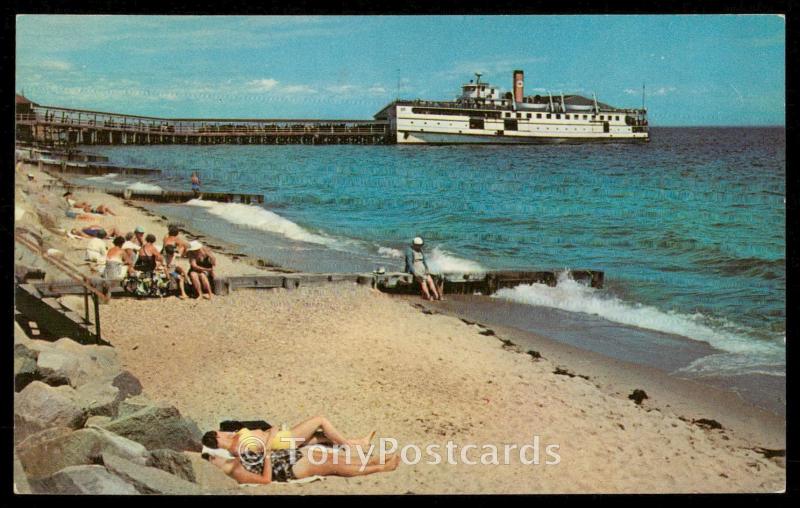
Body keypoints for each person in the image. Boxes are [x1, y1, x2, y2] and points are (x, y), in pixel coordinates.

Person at [201, 416, 394, 485]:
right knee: (333, 464)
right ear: (217, 439)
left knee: (329, 453)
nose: (224, 433)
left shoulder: (235, 455)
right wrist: (268, 449)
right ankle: (378, 467)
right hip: (286, 463)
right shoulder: (235, 462)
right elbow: (265, 478)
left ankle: (372, 460)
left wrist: (269, 437)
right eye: (220, 433)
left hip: (286, 456)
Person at [404, 237, 442, 301]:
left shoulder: (420, 250)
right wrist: (414, 272)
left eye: (420, 245)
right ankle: (428, 296)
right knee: (423, 282)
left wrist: (427, 269)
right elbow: (409, 263)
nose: (420, 246)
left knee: (430, 280)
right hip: (416, 268)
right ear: (415, 244)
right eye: (419, 245)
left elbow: (424, 261)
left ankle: (436, 295)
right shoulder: (409, 251)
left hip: (422, 268)